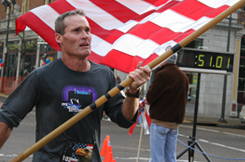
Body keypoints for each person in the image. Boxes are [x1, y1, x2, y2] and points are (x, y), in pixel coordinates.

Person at [0, 10, 151, 162]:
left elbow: (124, 119)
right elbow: (6, 118)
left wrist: (133, 92)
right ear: (59, 38)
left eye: (87, 30)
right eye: (76, 31)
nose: (85, 35)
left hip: (86, 158)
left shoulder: (104, 75)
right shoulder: (42, 76)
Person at [145, 51, 189, 162]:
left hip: (160, 120)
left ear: (164, 60)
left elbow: (150, 97)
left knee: (157, 158)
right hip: (175, 123)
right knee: (170, 157)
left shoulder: (163, 74)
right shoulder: (184, 76)